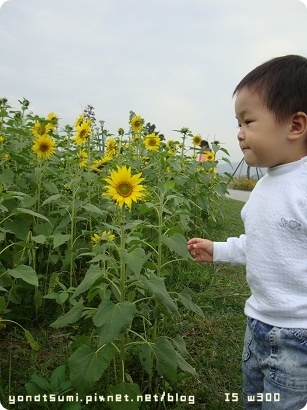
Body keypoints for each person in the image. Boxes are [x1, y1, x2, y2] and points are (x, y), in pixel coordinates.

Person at [187, 55, 307, 409]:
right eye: (237, 122)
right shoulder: (266, 186)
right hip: (257, 323)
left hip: (298, 335)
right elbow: (259, 242)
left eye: (249, 121)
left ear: (295, 126)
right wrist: (219, 249)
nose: (239, 133)